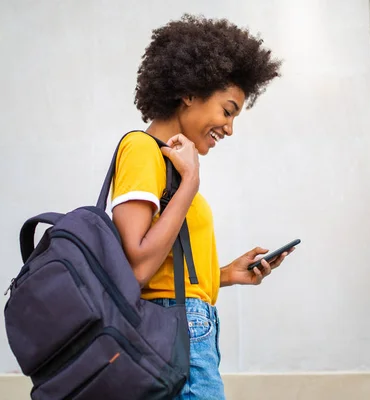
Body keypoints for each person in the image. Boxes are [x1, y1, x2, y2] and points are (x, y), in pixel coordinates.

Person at [110, 14, 293, 400]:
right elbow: (138, 267)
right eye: (227, 111)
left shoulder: (167, 165)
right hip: (177, 335)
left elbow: (164, 268)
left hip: (187, 328)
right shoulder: (142, 151)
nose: (229, 128)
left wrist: (225, 275)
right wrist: (190, 184)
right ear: (190, 93)